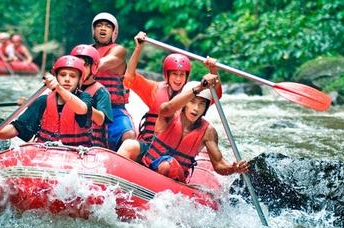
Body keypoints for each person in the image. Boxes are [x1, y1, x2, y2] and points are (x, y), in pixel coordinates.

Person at [119, 74, 248, 182]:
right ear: (185, 103)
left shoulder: (208, 132)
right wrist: (199, 88)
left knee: (167, 165)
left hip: (173, 177)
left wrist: (233, 168)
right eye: (192, 102)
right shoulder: (169, 114)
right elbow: (166, 108)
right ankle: (111, 181)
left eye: (201, 104)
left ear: (206, 108)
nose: (196, 108)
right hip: (148, 163)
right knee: (130, 144)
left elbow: (219, 164)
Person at [119, 31, 222, 161]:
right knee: (129, 145)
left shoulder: (193, 93)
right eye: (174, 74)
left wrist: (213, 69)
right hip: (150, 145)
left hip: (175, 152)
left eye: (182, 74)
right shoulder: (154, 89)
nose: (178, 79)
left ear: (187, 76)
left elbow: (216, 95)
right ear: (167, 74)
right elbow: (129, 77)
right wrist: (139, 48)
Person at [0, 55, 93, 147]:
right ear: (56, 77)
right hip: (46, 152)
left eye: (73, 76)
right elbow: (17, 128)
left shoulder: (85, 98)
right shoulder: (43, 101)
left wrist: (58, 87)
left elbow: (82, 109)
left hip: (77, 153)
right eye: (63, 75)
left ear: (79, 81)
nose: (67, 79)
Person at [91, 12, 134, 151]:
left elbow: (102, 64)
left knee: (128, 135)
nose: (103, 28)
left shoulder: (118, 51)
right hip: (87, 106)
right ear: (94, 30)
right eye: (99, 25)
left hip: (113, 109)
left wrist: (82, 65)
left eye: (107, 26)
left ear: (113, 32)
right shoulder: (86, 51)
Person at [70, 44, 113, 148]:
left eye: (84, 65)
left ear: (93, 67)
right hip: (66, 142)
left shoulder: (101, 92)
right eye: (77, 64)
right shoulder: (65, 87)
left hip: (91, 146)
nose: (80, 68)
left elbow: (100, 120)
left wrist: (84, 106)